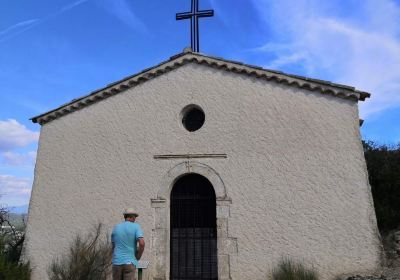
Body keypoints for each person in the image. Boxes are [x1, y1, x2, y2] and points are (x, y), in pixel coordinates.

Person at [111, 208, 145, 280]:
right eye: (135, 217)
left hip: (117, 262)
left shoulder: (116, 227)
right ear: (131, 217)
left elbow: (113, 246)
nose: (135, 219)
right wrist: (138, 256)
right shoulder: (136, 226)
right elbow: (142, 243)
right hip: (130, 262)